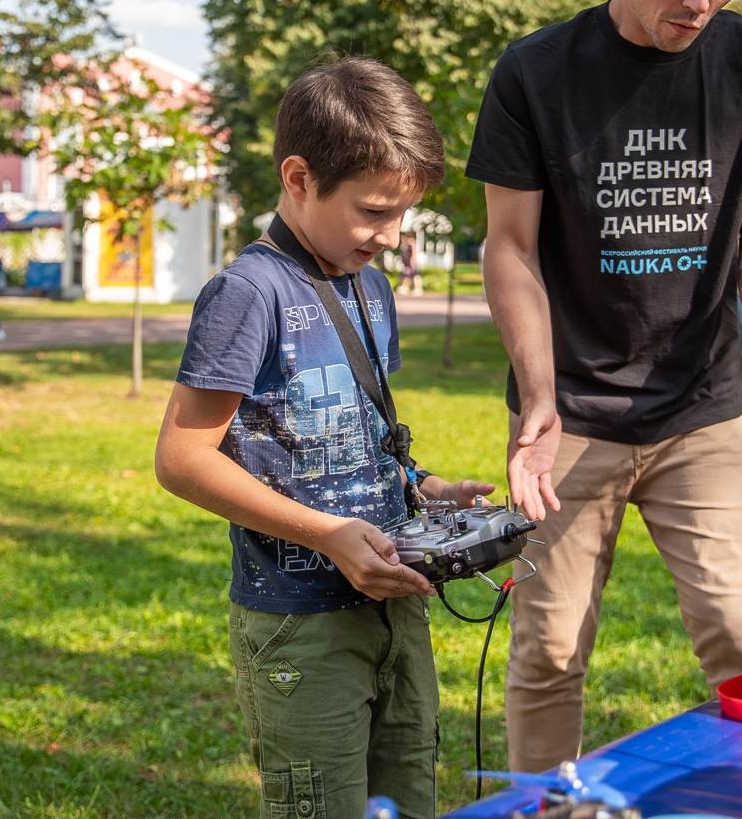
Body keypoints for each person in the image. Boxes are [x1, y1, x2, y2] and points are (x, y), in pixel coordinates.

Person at [465, 0, 742, 773]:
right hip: (570, 418)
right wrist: (539, 396)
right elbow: (507, 248)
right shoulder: (535, 71)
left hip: (698, 408)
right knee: (548, 655)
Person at [155, 57, 495, 819]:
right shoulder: (247, 294)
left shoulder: (368, 282)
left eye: (403, 214)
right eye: (374, 211)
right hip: (300, 621)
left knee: (406, 796)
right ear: (300, 178)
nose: (390, 236)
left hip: (391, 598)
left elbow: (358, 431)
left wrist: (425, 489)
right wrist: (329, 534)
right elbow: (180, 461)